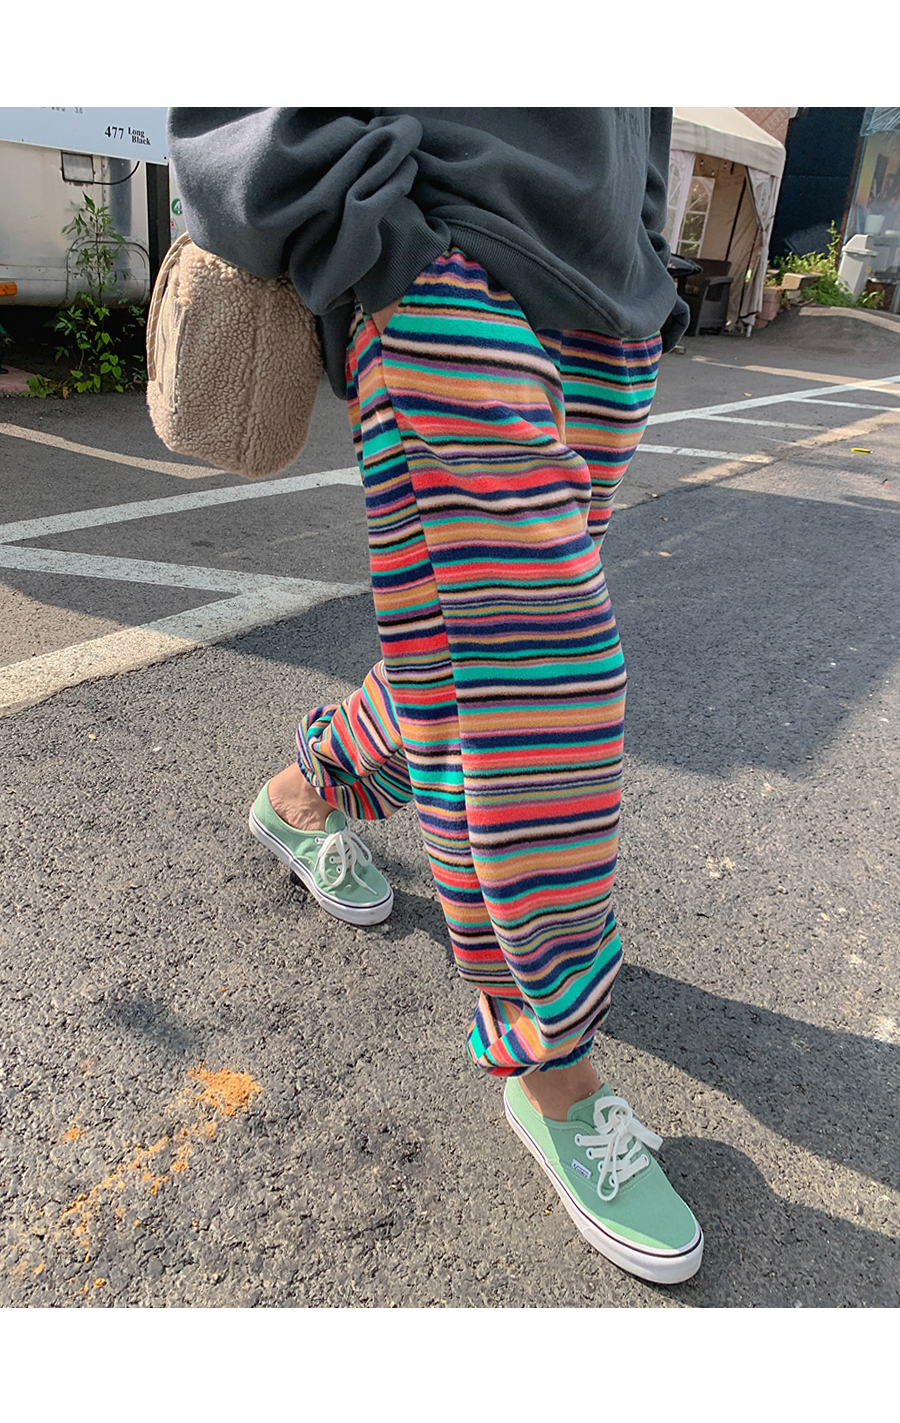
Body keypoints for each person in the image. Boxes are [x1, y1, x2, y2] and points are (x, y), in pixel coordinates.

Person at [168, 108, 702, 1284]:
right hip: (447, 251)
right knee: (539, 679)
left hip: (604, 296)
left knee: (466, 657)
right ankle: (553, 1068)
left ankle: (305, 793)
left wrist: (644, 249)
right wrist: (361, 218)